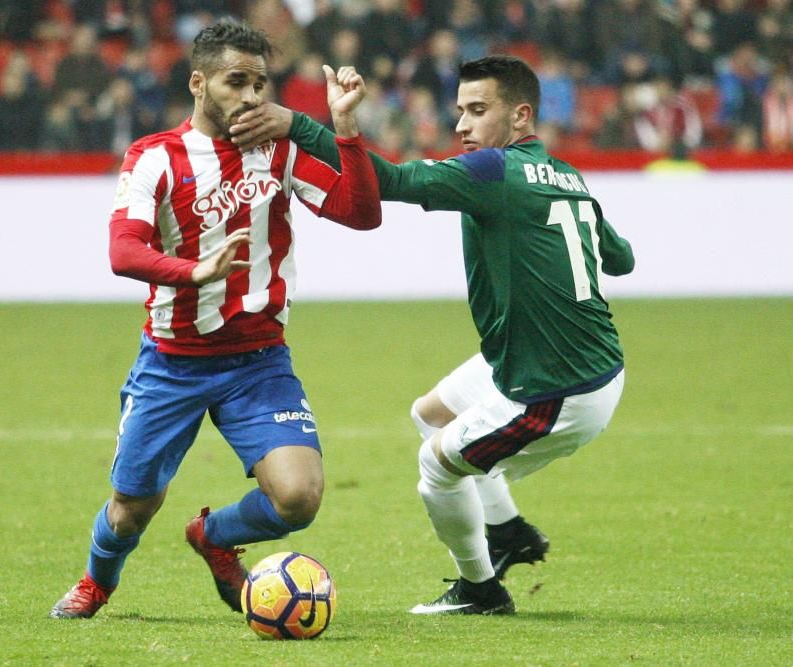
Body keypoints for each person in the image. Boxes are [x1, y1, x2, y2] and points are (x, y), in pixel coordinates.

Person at [230, 55, 635, 615]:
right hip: (545, 361)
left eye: (477, 110)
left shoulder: (494, 171)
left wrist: (300, 125)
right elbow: (623, 259)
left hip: (556, 388)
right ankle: (509, 531)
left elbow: (389, 180)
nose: (461, 125)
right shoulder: (567, 174)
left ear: (520, 117)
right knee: (431, 413)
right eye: (459, 111)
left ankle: (480, 590)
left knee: (436, 466)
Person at [49, 21, 381, 620]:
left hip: (259, 363)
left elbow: (361, 214)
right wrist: (191, 272)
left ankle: (215, 535)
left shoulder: (278, 150)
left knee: (299, 498)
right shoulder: (154, 158)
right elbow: (123, 250)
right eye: (237, 81)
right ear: (199, 83)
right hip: (173, 363)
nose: (253, 96)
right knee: (130, 508)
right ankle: (97, 582)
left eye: (261, 83)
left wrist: (346, 128)